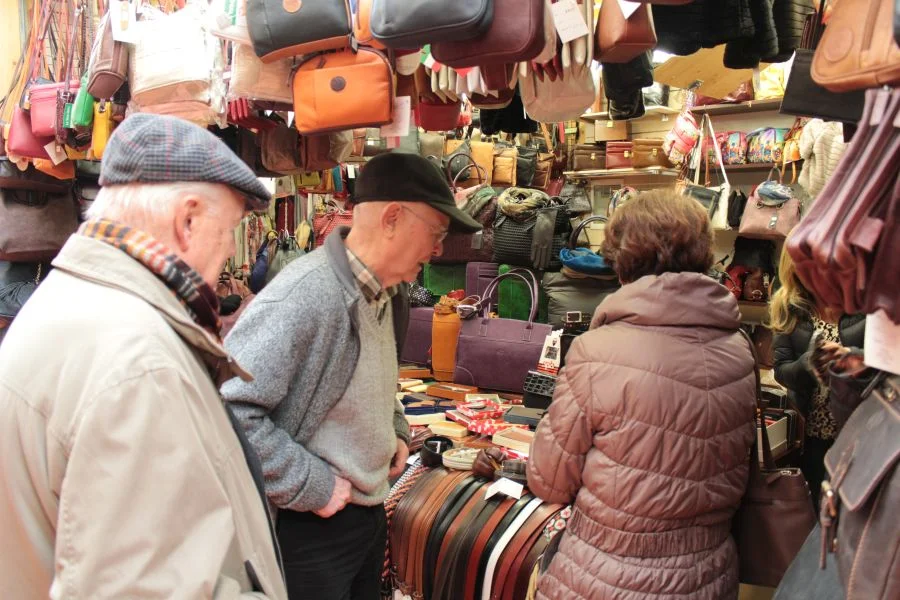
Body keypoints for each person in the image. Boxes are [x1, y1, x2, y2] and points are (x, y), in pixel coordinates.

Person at [0, 114, 288, 599]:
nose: (226, 251)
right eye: (230, 229)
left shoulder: (71, 303)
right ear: (188, 220)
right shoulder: (137, 361)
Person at [221, 152, 482, 600]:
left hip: (364, 513)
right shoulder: (304, 297)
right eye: (436, 233)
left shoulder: (386, 292)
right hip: (308, 527)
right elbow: (228, 409)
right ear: (393, 218)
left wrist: (396, 430)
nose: (439, 249)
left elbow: (374, 382)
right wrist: (311, 485)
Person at [527, 189, 757, 600]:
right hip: (710, 575)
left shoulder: (596, 352)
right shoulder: (740, 347)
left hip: (606, 578)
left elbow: (550, 481)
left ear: (623, 261)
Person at [769, 243, 865, 511]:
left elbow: (884, 366)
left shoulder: (864, 304)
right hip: (809, 435)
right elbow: (782, 370)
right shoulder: (789, 307)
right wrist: (808, 364)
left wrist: (850, 358)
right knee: (811, 513)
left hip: (856, 435)